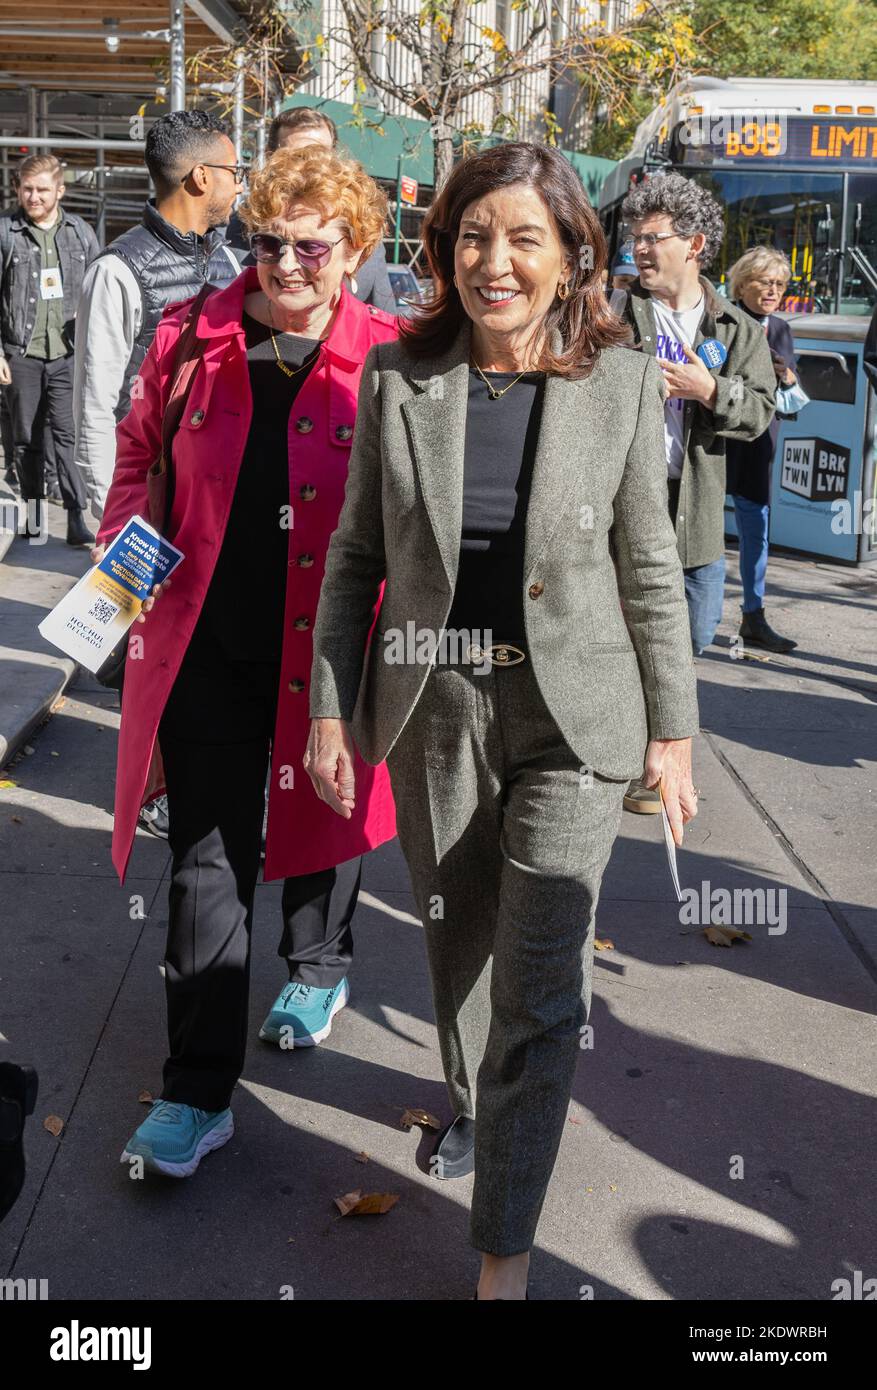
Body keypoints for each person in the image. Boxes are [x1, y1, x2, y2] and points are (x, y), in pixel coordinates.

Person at [304, 141, 700, 1300]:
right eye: (475, 235)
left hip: (575, 721)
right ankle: (478, 1107)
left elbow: (650, 568)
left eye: (525, 237)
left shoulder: (619, 383)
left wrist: (670, 727)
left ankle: (502, 1260)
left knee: (541, 985)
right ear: (446, 249)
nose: (495, 261)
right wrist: (333, 708)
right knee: (458, 946)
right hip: (434, 700)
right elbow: (355, 558)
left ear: (572, 253)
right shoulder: (400, 378)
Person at [92, 145, 398, 1179]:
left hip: (334, 653)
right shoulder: (192, 337)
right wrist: (123, 569)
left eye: (310, 247)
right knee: (208, 860)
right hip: (208, 643)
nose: (283, 265)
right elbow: (138, 456)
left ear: (355, 250)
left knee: (325, 812)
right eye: (266, 242)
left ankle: (317, 963)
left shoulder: (396, 357)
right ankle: (195, 1089)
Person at [614, 173, 776, 813]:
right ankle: (641, 760)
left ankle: (656, 735)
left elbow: (760, 411)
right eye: (635, 238)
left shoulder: (735, 327)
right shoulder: (614, 313)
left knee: (698, 631)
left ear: (695, 244)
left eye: (652, 239)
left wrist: (709, 391)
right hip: (627, 502)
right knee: (629, 635)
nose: (640, 251)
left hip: (696, 509)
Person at [73, 109, 242, 526]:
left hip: (212, 502)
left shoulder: (228, 263)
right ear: (202, 177)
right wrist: (113, 519)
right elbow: (96, 407)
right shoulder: (115, 271)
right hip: (145, 506)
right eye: (235, 171)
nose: (240, 185)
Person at [0, 154, 99, 544]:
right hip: (21, 352)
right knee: (26, 439)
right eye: (27, 188)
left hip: (67, 354)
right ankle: (35, 515)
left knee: (67, 436)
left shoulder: (79, 233)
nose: (33, 196)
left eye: (42, 189)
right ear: (17, 188)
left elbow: (97, 291)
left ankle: (76, 515)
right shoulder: (7, 232)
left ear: (60, 189)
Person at [226, 106, 396, 313]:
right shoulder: (227, 236)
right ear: (271, 157)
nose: (309, 166)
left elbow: (386, 325)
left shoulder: (361, 236)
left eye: (320, 155)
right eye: (297, 156)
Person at [726, 247, 802, 654]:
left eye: (779, 284)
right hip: (716, 441)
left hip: (758, 443)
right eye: (764, 282)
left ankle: (753, 616)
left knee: (756, 532)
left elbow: (791, 397)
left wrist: (787, 376)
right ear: (743, 284)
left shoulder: (781, 329)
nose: (773, 291)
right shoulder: (720, 318)